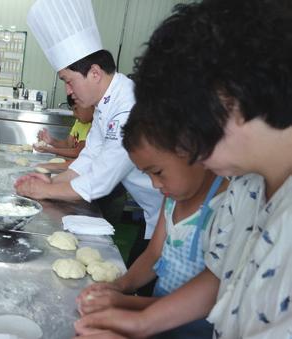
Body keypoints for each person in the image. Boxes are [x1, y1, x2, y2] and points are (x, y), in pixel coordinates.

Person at [73, 0, 292, 337]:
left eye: (181, 120)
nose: (183, 146)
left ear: (229, 95)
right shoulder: (244, 185)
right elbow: (220, 275)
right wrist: (141, 322)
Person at [19, 0, 162, 255]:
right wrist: (52, 180)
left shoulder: (128, 107)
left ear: (95, 73)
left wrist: (47, 190)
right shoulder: (106, 104)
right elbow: (89, 158)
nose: (68, 91)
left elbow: (100, 181)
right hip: (155, 212)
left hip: (172, 211)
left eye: (69, 81)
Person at [76, 104, 227, 338]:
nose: (155, 184)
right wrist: (121, 286)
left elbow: (214, 292)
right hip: (157, 319)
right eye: (147, 174)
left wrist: (133, 310)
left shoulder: (226, 204)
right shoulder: (173, 200)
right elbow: (154, 254)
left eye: (158, 172)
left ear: (195, 152)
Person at [35, 94, 93, 171]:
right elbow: (68, 144)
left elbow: (78, 151)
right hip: (69, 166)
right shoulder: (79, 122)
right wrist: (52, 141)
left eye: (76, 109)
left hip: (80, 170)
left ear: (89, 104)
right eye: (72, 110)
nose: (74, 114)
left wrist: (50, 150)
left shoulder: (93, 127)